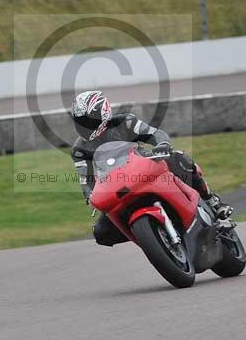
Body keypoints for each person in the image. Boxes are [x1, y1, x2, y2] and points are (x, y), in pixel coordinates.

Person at [69, 90, 234, 247]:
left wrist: (162, 145)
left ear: (103, 114)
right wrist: (90, 195)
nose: (84, 126)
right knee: (101, 233)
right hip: (116, 185)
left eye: (87, 121)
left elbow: (155, 134)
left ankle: (213, 202)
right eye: (80, 122)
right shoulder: (79, 149)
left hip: (147, 167)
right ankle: (152, 237)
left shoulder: (125, 122)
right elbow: (86, 178)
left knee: (179, 158)